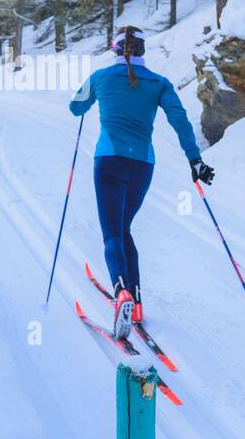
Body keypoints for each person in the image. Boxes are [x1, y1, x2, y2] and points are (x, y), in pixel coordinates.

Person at [70, 26, 214, 339]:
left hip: (108, 161)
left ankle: (120, 291)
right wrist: (195, 161)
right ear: (142, 51)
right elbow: (180, 122)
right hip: (142, 165)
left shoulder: (101, 77)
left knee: (112, 234)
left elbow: (75, 106)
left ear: (116, 50)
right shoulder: (159, 83)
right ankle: (135, 304)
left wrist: (90, 96)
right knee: (124, 229)